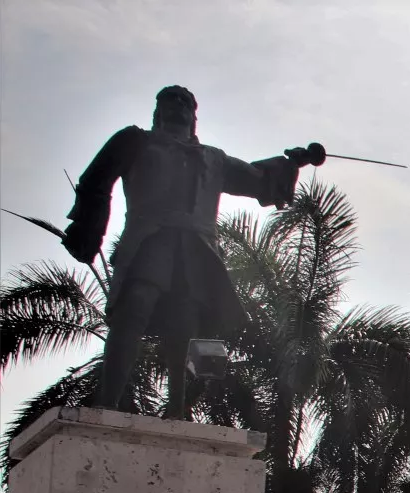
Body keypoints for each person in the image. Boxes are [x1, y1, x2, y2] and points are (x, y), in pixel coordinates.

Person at [60, 86, 306, 413]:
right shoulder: (136, 141)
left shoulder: (213, 158)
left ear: (193, 115)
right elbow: (96, 180)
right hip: (150, 238)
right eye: (170, 100)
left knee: (183, 321)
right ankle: (107, 404)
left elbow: (258, 179)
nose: (177, 106)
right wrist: (90, 227)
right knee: (134, 306)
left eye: (185, 102)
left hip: (195, 247)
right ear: (157, 111)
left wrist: (291, 163)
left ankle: (176, 408)